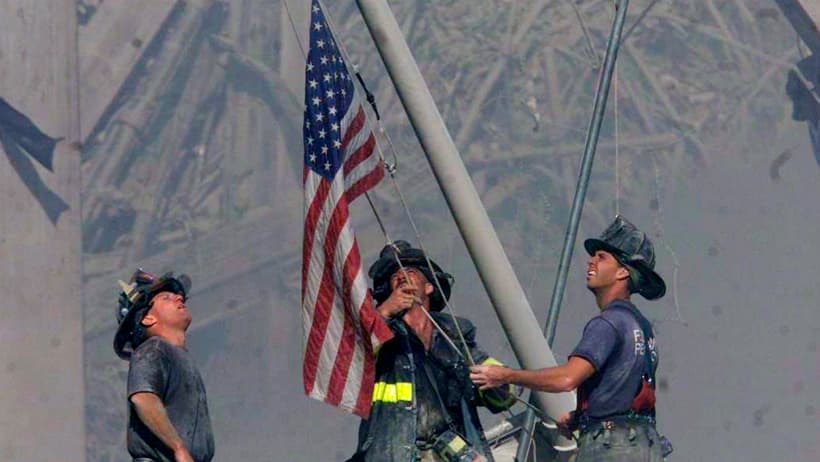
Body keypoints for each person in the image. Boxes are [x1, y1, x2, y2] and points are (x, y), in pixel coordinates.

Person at [470, 216, 671, 461]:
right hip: (645, 446)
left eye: (602, 257)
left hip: (611, 448)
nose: (591, 261)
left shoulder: (608, 323)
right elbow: (625, 390)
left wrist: (505, 375)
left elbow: (567, 379)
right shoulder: (641, 327)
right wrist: (581, 417)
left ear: (622, 272)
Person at [348, 241, 515, 462]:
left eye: (410, 272)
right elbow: (352, 360)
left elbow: (502, 396)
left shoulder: (454, 338)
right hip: (393, 454)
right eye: (394, 275)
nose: (401, 276)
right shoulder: (383, 335)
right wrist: (386, 310)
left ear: (429, 287)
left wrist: (501, 383)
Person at [113, 270, 215, 462]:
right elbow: (143, 398)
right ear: (147, 318)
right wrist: (179, 448)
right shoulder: (153, 349)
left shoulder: (177, 357)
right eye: (166, 297)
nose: (178, 297)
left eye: (178, 295)